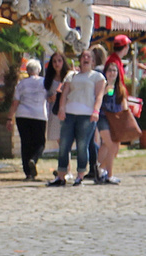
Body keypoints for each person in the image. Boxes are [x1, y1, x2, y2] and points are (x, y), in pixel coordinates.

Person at [49, 47, 103, 186]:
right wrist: (61, 109)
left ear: (92, 60)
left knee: (82, 145)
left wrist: (95, 111)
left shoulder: (97, 76)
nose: (85, 59)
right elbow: (65, 93)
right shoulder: (71, 75)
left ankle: (80, 175)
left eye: (88, 57)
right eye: (83, 57)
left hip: (86, 115)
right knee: (64, 145)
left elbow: (99, 96)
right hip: (70, 113)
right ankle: (61, 175)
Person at [12, 57, 50, 181]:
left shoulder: (21, 84)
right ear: (38, 70)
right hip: (39, 115)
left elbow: (15, 102)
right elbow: (49, 98)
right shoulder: (44, 82)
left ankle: (28, 173)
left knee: (25, 143)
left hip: (22, 115)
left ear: (27, 71)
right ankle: (33, 159)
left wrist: (9, 117)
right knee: (40, 142)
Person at [95, 56, 128, 185]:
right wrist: (105, 90)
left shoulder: (121, 88)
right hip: (103, 117)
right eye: (110, 70)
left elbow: (124, 102)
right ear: (105, 72)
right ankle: (109, 174)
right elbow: (97, 98)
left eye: (114, 71)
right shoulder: (101, 85)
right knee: (111, 145)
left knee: (109, 146)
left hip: (115, 119)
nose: (112, 73)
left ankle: (100, 169)